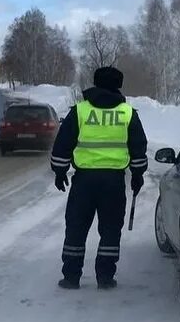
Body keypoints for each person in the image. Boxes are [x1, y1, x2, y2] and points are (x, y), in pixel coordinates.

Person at [49, 66, 148, 290]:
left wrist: (60, 171)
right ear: (118, 85)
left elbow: (64, 142)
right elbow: (138, 147)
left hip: (84, 181)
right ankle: (105, 277)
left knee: (76, 227)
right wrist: (138, 175)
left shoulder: (80, 111)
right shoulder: (127, 113)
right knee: (111, 229)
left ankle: (71, 277)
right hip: (113, 182)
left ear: (95, 83)